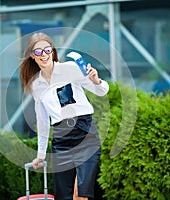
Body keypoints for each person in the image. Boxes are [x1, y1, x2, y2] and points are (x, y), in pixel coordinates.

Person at [19, 32, 109, 200]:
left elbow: (101, 91)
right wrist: (40, 154)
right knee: (64, 196)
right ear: (32, 55)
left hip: (85, 133)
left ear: (52, 51)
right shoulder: (35, 85)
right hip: (61, 140)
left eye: (47, 50)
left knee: (81, 194)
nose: (43, 55)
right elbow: (43, 121)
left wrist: (96, 80)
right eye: (38, 52)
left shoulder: (70, 68)